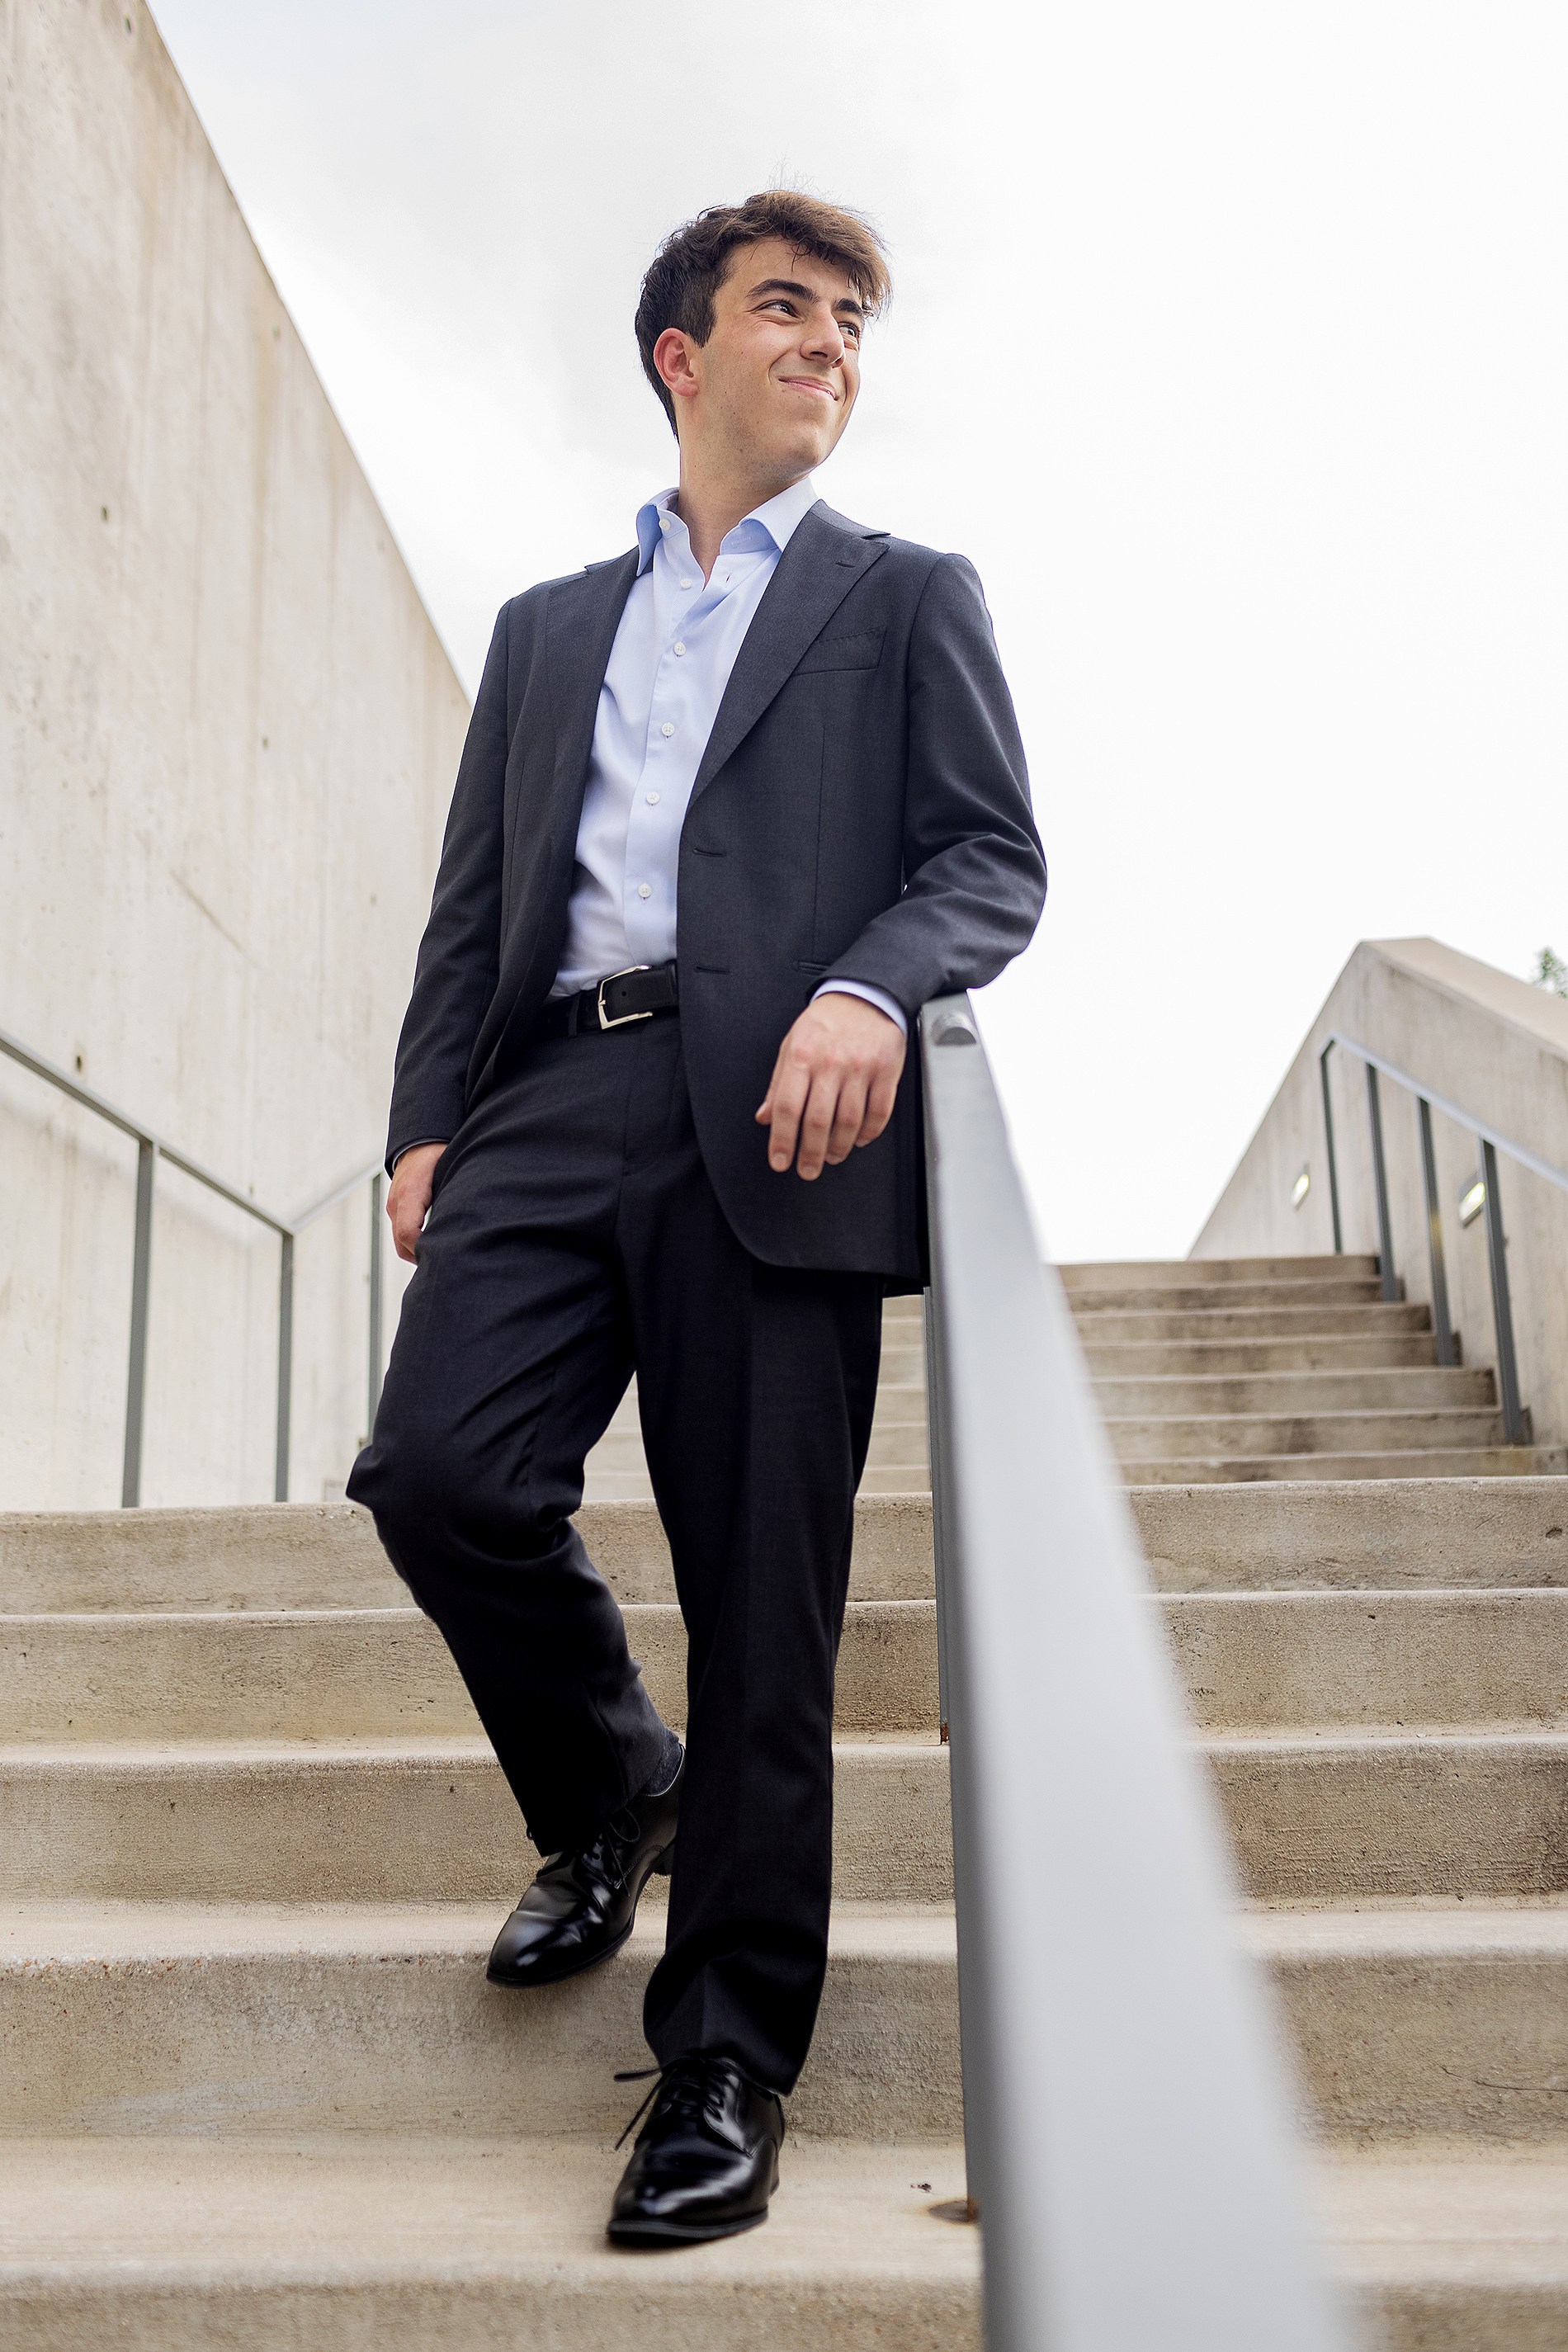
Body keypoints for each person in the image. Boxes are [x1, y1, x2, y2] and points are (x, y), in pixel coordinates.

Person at [348, 188, 1045, 2246]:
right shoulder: (546, 628)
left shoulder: (903, 598)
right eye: (785, 309)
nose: (828, 344)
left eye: (850, 322)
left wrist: (870, 989)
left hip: (784, 1111)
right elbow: (474, 899)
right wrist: (426, 1117)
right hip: (552, 1093)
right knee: (437, 1476)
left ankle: (726, 2057)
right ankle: (610, 1786)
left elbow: (988, 859)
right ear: (682, 354)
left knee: (763, 1606)